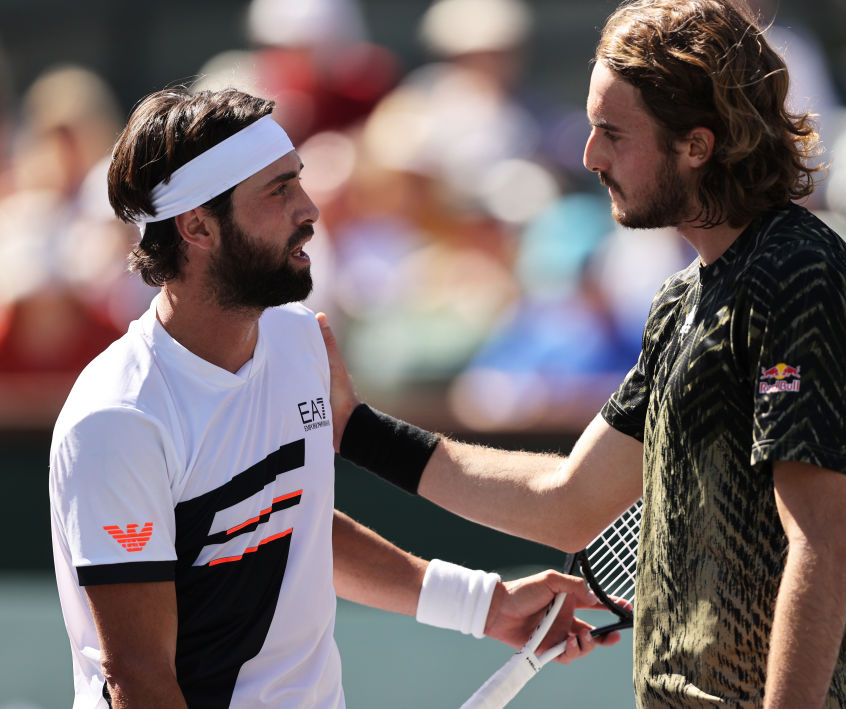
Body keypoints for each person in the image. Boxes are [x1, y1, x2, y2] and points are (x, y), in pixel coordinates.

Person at [320, 1, 846, 707]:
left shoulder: (796, 271)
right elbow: (567, 502)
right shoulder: (678, 302)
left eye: (612, 133)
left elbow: (820, 545)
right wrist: (356, 429)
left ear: (696, 145)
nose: (590, 157)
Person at [47, 86, 616, 709]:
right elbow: (139, 678)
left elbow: (291, 525)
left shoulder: (297, 340)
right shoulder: (117, 420)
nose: (309, 208)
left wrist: (484, 606)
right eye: (278, 191)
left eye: (298, 181)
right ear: (198, 227)